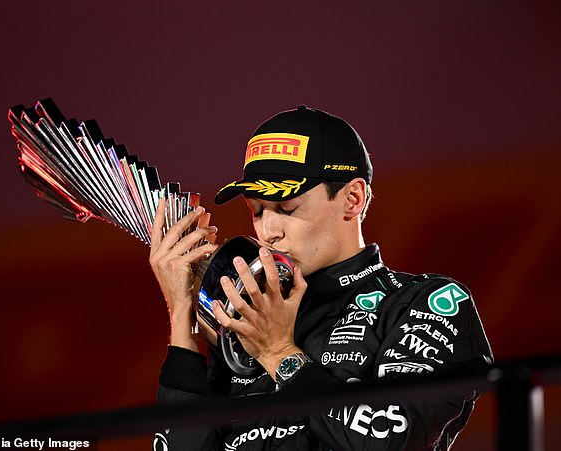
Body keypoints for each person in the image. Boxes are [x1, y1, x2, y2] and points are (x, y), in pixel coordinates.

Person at [149, 105, 493, 450]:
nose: (268, 231)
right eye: (256, 210)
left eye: (287, 208)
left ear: (353, 199)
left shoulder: (422, 302)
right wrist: (183, 321)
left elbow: (392, 440)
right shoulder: (246, 327)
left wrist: (279, 354)